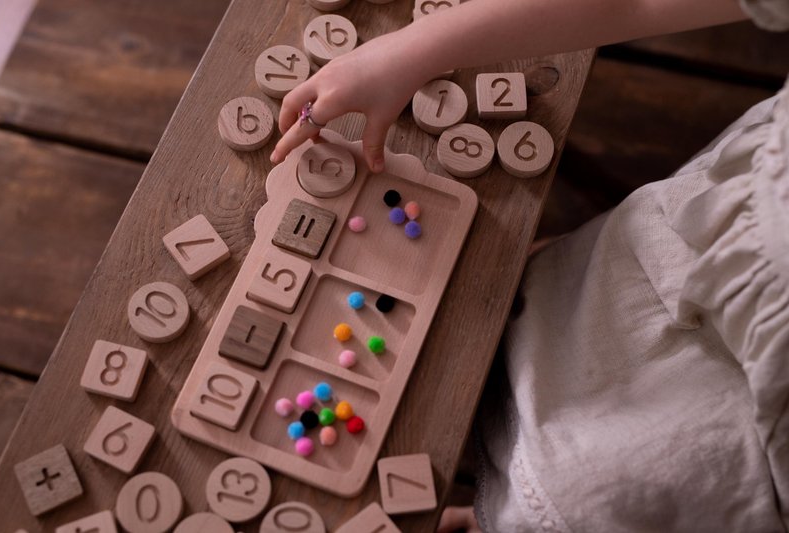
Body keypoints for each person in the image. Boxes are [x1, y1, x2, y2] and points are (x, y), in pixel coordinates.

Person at [272, 0, 789, 530]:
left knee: (587, 493)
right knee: (558, 290)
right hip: (681, 257)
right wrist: (410, 49)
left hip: (715, 448)